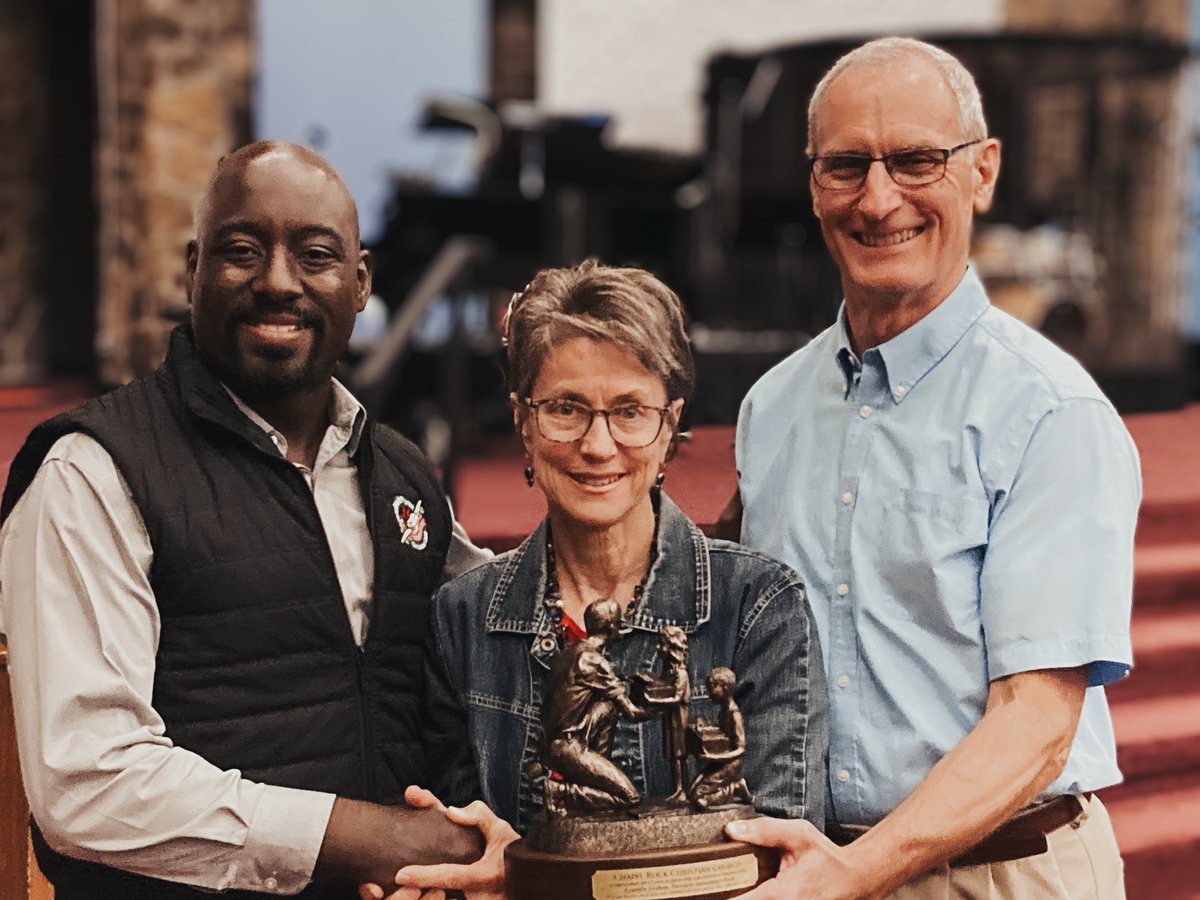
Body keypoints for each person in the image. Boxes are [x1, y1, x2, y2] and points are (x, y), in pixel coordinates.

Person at [0, 141, 495, 898]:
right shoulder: (92, 472)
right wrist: (371, 839)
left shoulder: (399, 473)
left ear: (360, 283)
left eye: (315, 255)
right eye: (241, 251)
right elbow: (86, 781)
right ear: (191, 269)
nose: (277, 282)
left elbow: (514, 619)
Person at [721, 37, 1141, 899]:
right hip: (814, 870)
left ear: (982, 172)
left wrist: (850, 874)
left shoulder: (1050, 413)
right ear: (813, 185)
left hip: (1002, 874)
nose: (879, 200)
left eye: (916, 160)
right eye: (846, 166)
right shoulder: (771, 407)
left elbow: (1034, 725)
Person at [385, 259, 829, 897]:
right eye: (566, 409)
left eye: (630, 410)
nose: (598, 445)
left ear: (670, 424)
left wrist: (534, 873)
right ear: (523, 422)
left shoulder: (759, 606)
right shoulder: (462, 615)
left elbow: (777, 863)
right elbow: (465, 848)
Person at [541, 598, 646, 815]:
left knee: (608, 706)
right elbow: (632, 713)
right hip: (569, 747)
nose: (623, 623)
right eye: (619, 620)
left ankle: (599, 770)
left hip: (554, 744)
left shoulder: (569, 653)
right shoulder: (594, 661)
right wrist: (669, 705)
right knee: (630, 797)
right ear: (610, 627)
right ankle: (560, 791)